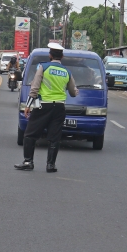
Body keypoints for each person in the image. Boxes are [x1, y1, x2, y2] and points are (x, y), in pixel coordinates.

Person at [15, 43, 78, 172]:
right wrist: (76, 91)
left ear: (50, 55)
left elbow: (35, 87)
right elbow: (72, 92)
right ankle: (50, 165)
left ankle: (28, 161)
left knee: (30, 134)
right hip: (59, 107)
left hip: (43, 106)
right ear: (62, 56)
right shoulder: (67, 72)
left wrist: (28, 105)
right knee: (54, 137)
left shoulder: (43, 67)